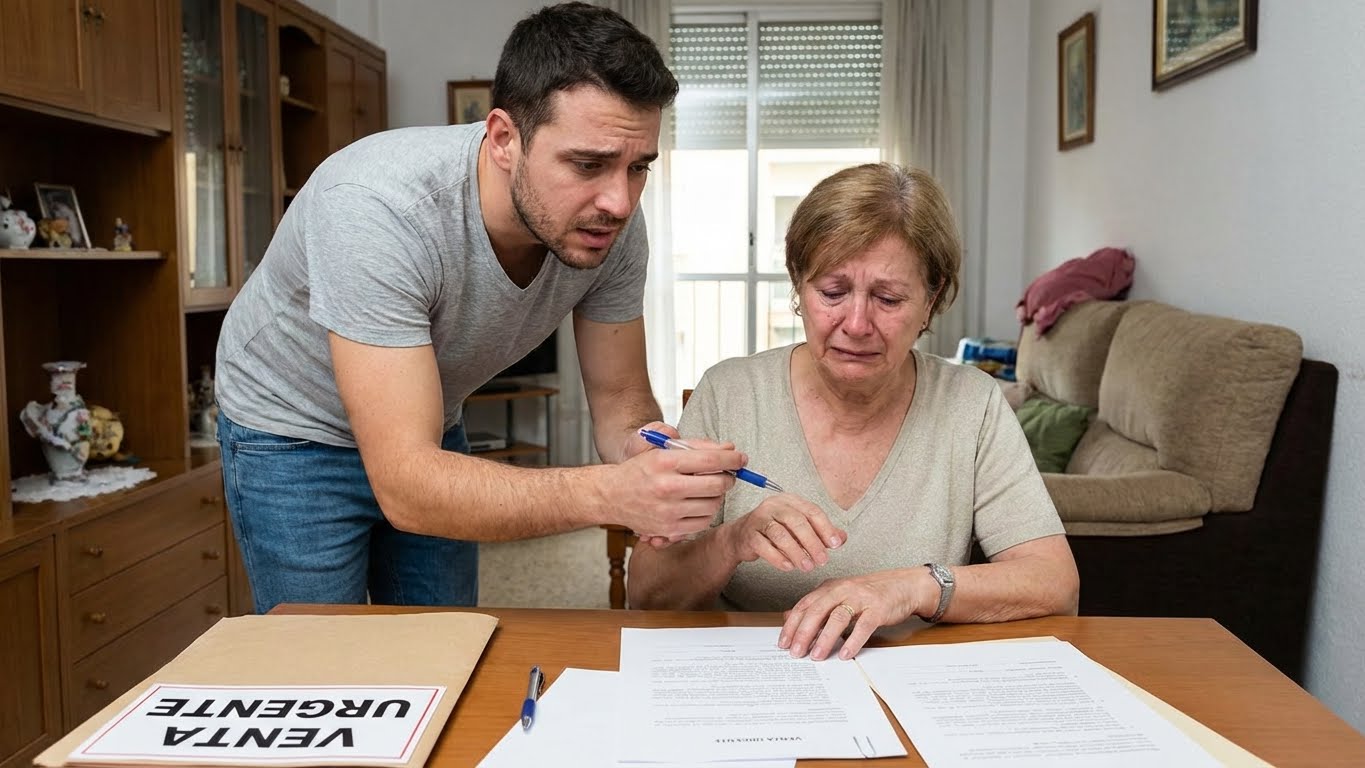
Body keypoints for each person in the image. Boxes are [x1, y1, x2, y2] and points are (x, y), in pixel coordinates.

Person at [214, 2, 745, 613]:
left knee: (444, 639)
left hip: (426, 423)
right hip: (291, 426)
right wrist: (610, 493)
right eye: (588, 164)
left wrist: (648, 456)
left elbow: (621, 399)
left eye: (638, 168)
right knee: (323, 654)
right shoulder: (376, 208)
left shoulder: (611, 226)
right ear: (504, 139)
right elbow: (409, 485)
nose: (619, 202)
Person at [628, 163, 1079, 660]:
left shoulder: (973, 404)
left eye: (888, 298)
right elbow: (645, 595)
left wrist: (915, 587)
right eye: (832, 293)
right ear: (798, 286)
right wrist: (730, 542)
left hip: (908, 679)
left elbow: (1055, 584)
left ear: (931, 301)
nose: (857, 324)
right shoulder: (728, 393)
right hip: (754, 677)